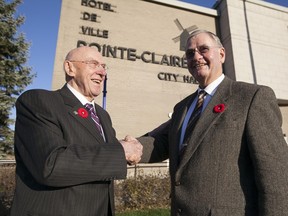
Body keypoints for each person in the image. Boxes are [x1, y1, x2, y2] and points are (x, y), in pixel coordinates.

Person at [122, 29, 288, 215]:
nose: (196, 57)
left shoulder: (251, 97)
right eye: (190, 53)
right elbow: (161, 143)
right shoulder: (182, 108)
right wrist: (126, 149)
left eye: (203, 49)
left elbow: (276, 174)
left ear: (222, 54)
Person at [10, 46, 142, 216]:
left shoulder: (102, 115)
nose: (102, 72)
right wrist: (121, 151)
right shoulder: (39, 101)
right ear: (69, 68)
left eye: (103, 66)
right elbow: (50, 164)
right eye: (93, 64)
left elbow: (101, 155)